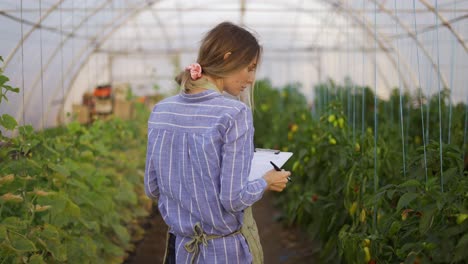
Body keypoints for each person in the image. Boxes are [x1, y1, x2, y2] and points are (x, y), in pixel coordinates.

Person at [144, 21, 291, 264]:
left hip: (179, 248)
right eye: (250, 68)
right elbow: (232, 199)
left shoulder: (161, 110)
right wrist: (265, 181)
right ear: (227, 58)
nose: (252, 79)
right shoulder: (233, 114)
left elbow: (152, 188)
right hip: (220, 253)